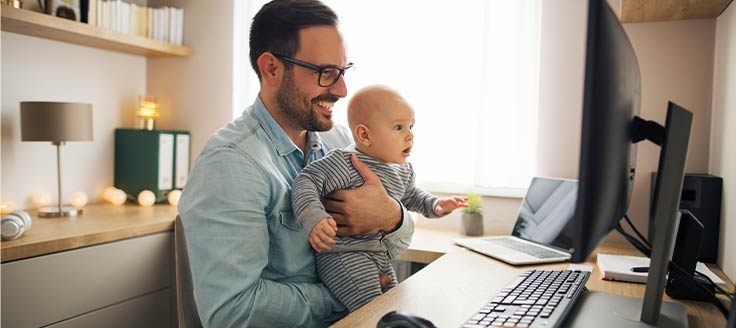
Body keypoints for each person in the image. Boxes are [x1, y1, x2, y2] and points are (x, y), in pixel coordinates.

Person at [177, 1, 415, 327]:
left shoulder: (342, 142)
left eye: (343, 72)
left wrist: (393, 216)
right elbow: (233, 312)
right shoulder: (230, 166)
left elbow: (396, 240)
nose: (343, 90)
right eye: (325, 73)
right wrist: (349, 293)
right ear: (271, 69)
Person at [292, 85, 468, 312]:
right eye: (398, 127)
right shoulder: (344, 162)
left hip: (379, 255)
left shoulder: (403, 170)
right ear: (365, 135)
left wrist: (436, 205)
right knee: (373, 312)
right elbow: (306, 181)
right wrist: (314, 217)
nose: (410, 135)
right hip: (344, 256)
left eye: (411, 126)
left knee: (392, 306)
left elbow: (412, 196)